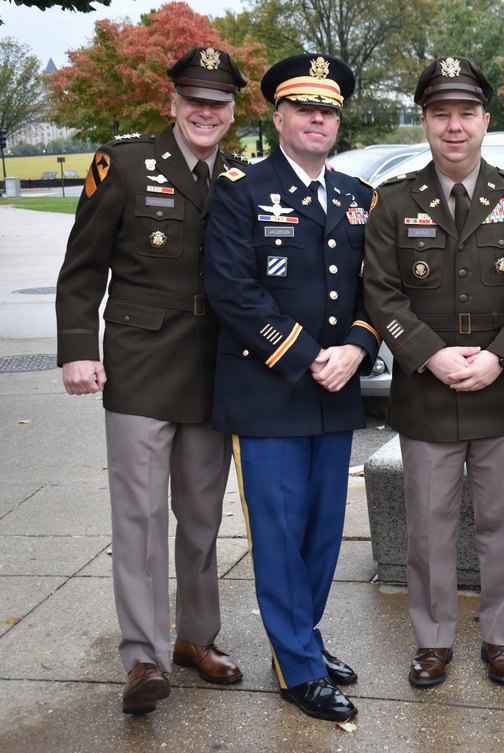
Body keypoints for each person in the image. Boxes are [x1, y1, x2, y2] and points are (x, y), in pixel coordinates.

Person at [55, 46, 249, 715]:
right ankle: (143, 657)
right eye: (194, 98)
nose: (205, 110)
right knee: (137, 517)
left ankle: (197, 636)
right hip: (139, 360)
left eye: (217, 101)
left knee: (200, 517)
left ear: (231, 111)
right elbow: (83, 266)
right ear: (172, 101)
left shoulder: (241, 177)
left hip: (213, 367)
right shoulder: (127, 163)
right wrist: (77, 348)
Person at [203, 53, 379, 723]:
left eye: (328, 109)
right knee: (278, 532)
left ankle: (303, 636)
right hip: (269, 388)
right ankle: (297, 668)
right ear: (277, 116)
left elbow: (377, 290)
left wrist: (358, 346)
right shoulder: (242, 189)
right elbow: (232, 290)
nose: (317, 117)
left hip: (337, 390)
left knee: (323, 533)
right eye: (304, 107)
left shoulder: (359, 196)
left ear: (338, 120)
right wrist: (308, 355)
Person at [364, 56, 504, 688]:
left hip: (501, 389)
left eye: (466, 112)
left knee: (503, 525)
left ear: (485, 120)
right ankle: (433, 640)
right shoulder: (392, 202)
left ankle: (501, 638)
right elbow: (380, 293)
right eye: (441, 114)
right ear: (425, 123)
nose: (454, 126)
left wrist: (499, 355)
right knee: (429, 529)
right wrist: (430, 353)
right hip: (426, 392)